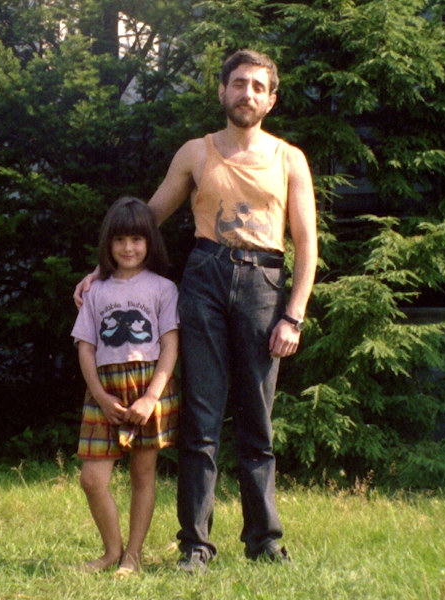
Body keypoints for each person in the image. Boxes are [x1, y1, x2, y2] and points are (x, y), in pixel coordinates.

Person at [75, 50, 317, 572]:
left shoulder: (289, 159)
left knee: (257, 423)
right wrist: (100, 271)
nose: (247, 93)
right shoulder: (195, 152)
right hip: (205, 280)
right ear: (222, 91)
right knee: (201, 422)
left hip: (264, 285)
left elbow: (306, 243)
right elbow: (146, 219)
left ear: (271, 100)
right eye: (239, 83)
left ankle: (264, 541)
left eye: (258, 87)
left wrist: (293, 315)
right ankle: (195, 546)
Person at [71, 196, 181, 577]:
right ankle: (111, 551)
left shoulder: (163, 289)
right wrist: (100, 396)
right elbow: (86, 348)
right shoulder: (95, 291)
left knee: (142, 475)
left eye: (136, 239)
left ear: (149, 241)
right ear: (108, 243)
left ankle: (133, 556)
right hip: (104, 391)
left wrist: (151, 396)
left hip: (149, 388)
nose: (128, 248)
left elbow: (170, 345)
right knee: (92, 479)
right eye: (119, 240)